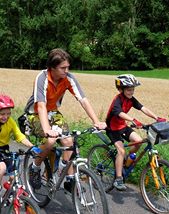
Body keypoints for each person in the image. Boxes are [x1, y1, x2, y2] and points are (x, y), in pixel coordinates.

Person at [24, 48, 107, 193]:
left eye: (68, 67)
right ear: (52, 67)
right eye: (63, 68)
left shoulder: (68, 78)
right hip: (35, 114)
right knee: (49, 141)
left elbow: (83, 99)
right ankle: (35, 167)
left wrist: (96, 121)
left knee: (69, 142)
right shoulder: (42, 77)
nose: (66, 70)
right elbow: (41, 106)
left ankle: (66, 173)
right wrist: (47, 130)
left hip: (54, 113)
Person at [105, 74, 167, 191]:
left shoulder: (131, 100)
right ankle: (118, 179)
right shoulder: (117, 100)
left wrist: (156, 117)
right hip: (112, 129)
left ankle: (125, 161)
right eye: (128, 90)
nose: (131, 92)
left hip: (122, 126)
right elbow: (119, 113)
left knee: (138, 141)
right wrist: (133, 120)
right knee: (121, 150)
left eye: (133, 89)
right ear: (121, 89)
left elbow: (143, 108)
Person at [0, 94, 39, 209]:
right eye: (2, 114)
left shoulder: (10, 122)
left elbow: (19, 136)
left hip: (5, 149)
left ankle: (9, 194)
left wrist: (32, 146)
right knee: (2, 168)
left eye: (8, 113)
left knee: (14, 174)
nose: (5, 117)